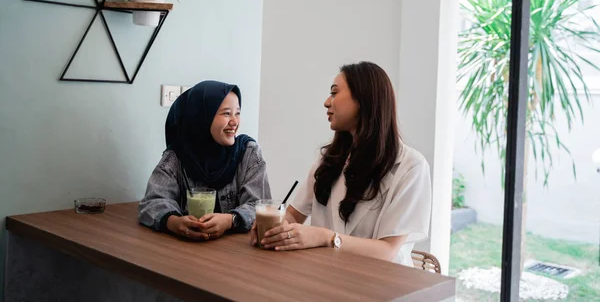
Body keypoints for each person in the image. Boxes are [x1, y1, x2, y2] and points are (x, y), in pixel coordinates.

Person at [252, 62, 431, 266]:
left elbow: (387, 250)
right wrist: (276, 229)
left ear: (364, 99)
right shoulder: (330, 159)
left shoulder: (411, 167)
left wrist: (326, 238)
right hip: (328, 278)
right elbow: (294, 214)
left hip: (382, 286)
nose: (327, 102)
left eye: (335, 93)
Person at [140, 80, 271, 240]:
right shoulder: (178, 155)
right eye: (226, 113)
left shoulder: (249, 153)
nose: (235, 122)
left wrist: (231, 220)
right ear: (202, 117)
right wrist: (174, 222)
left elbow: (261, 206)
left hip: (238, 254)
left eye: (237, 113)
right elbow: (152, 201)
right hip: (185, 251)